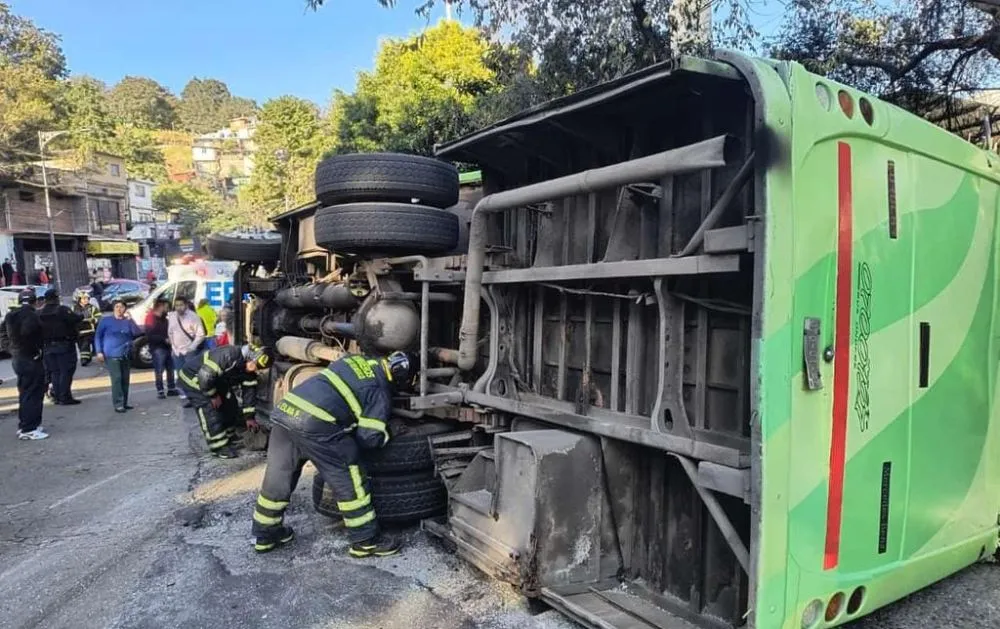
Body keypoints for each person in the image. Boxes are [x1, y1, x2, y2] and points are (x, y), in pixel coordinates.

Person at [251, 351, 413, 557]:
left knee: (277, 477)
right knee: (349, 473)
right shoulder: (380, 391)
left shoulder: (355, 359)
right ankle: (365, 540)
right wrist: (389, 432)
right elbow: (368, 438)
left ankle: (265, 534)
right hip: (315, 423)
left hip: (286, 411)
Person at [178, 343, 269, 459]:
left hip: (213, 380)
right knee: (210, 410)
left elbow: (249, 393)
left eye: (258, 369)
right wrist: (213, 395)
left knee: (230, 404)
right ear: (250, 357)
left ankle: (229, 437)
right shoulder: (229, 355)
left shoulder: (249, 370)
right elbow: (205, 376)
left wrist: (249, 417)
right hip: (194, 377)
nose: (254, 370)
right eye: (254, 366)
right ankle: (218, 447)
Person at [6, 289, 47, 440]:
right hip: (30, 358)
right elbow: (28, 333)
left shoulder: (11, 315)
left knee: (24, 392)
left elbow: (3, 334)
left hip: (17, 358)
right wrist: (36, 351)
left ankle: (24, 424)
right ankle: (30, 428)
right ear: (34, 301)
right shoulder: (31, 315)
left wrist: (11, 349)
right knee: (34, 393)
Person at [94, 299, 141, 413]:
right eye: (117, 307)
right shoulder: (106, 321)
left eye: (121, 307)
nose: (119, 309)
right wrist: (99, 351)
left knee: (125, 379)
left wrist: (131, 320)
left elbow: (137, 333)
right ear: (113, 309)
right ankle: (118, 403)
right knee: (117, 379)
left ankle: (124, 402)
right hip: (112, 354)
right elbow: (98, 336)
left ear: (125, 309)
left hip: (125, 354)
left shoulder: (127, 321)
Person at [39, 289, 83, 405]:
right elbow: (76, 318)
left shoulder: (40, 312)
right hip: (64, 345)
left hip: (47, 346)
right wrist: (82, 315)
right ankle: (64, 397)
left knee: (55, 372)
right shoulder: (62, 310)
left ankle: (58, 396)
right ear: (57, 298)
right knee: (65, 371)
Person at [167, 296, 205, 408]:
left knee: (192, 376)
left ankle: (196, 398)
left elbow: (200, 334)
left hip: (190, 351)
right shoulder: (172, 316)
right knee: (181, 376)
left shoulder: (193, 317)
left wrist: (191, 348)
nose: (179, 307)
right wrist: (173, 348)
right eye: (177, 305)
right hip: (177, 352)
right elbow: (170, 333)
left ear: (186, 305)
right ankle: (190, 398)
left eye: (181, 305)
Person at [144, 298, 178, 399]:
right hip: (158, 347)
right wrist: (164, 339)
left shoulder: (165, 319)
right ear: (160, 306)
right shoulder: (151, 318)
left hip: (167, 346)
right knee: (159, 369)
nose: (168, 309)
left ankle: (171, 388)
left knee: (170, 368)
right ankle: (160, 390)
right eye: (166, 307)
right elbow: (150, 335)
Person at [73, 292, 100, 365]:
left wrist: (93, 320)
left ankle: (84, 360)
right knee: (81, 346)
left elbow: (98, 317)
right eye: (84, 298)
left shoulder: (92, 308)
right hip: (78, 331)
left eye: (87, 298)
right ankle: (87, 358)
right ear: (79, 299)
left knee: (85, 345)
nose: (86, 300)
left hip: (89, 331)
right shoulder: (74, 308)